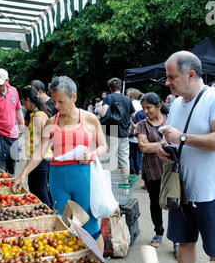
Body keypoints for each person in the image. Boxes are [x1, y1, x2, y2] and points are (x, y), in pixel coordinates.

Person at [159, 51, 215, 263]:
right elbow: (176, 142)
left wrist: (181, 138)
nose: (167, 82)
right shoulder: (176, 105)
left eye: (172, 77)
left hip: (213, 192)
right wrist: (167, 149)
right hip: (183, 190)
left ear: (191, 74)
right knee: (184, 242)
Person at [12, 76, 108, 253]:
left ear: (74, 97)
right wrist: (23, 174)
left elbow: (103, 146)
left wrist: (92, 154)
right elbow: (40, 151)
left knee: (90, 225)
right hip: (57, 179)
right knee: (62, 224)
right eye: (54, 101)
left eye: (61, 102)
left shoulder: (89, 119)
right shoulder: (51, 122)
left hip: (83, 177)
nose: (56, 106)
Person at [135, 92, 179, 255]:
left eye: (149, 108)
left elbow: (178, 140)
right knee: (155, 201)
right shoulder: (142, 124)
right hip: (151, 169)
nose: (145, 111)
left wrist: (155, 145)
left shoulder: (172, 119)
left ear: (159, 106)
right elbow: (143, 147)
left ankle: (177, 238)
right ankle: (159, 232)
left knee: (174, 202)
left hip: (171, 168)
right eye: (143, 108)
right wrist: (163, 143)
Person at [19, 85, 53, 208]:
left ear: (28, 100)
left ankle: (48, 213)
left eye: (22, 101)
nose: (22, 104)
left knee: (40, 191)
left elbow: (46, 139)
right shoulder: (36, 115)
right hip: (40, 159)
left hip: (41, 160)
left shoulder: (38, 116)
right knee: (38, 189)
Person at [99, 77, 136, 174]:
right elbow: (133, 115)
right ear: (120, 87)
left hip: (111, 129)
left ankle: (105, 184)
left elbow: (103, 113)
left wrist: (98, 110)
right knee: (124, 159)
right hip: (124, 131)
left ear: (110, 88)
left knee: (107, 158)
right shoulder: (127, 100)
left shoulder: (109, 97)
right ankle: (125, 186)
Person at [126, 88, 144, 176]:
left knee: (131, 154)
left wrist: (131, 131)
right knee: (139, 154)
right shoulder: (141, 104)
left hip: (132, 131)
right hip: (142, 132)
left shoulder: (131, 103)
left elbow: (133, 119)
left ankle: (132, 172)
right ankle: (138, 170)